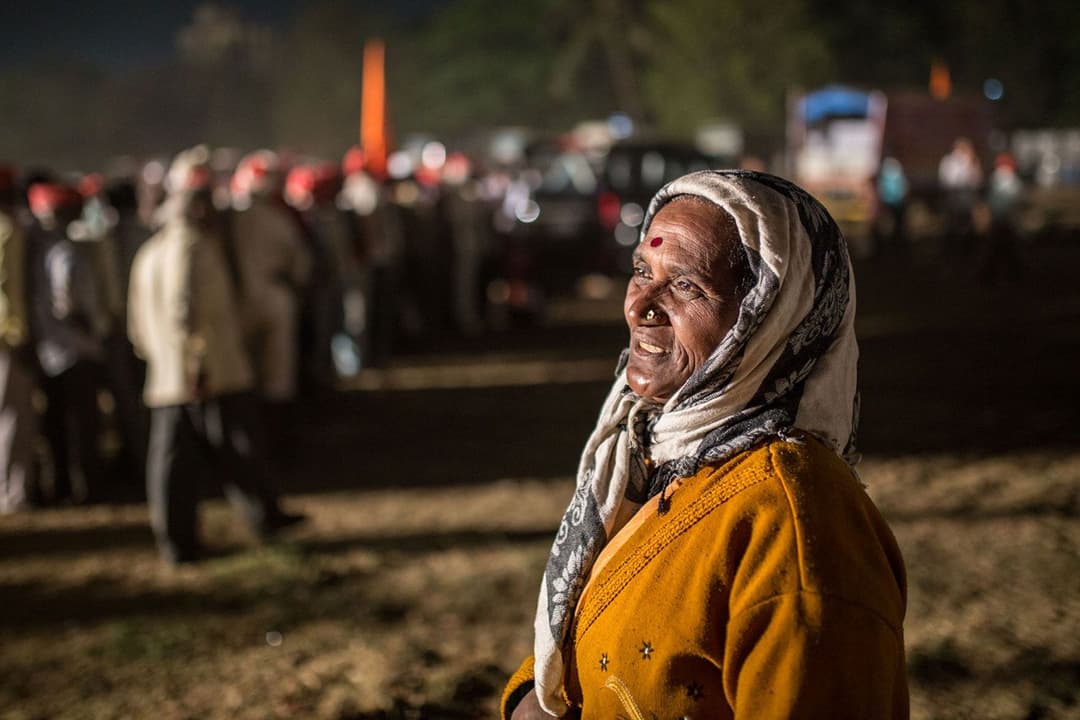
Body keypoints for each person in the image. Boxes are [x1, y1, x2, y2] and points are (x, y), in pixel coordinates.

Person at [503, 170, 907, 719]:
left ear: (768, 317)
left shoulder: (795, 525)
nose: (640, 304)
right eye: (641, 271)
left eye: (687, 285)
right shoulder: (647, 455)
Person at [128, 148, 303, 565]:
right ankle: (184, 541)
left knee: (224, 448)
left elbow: (138, 324)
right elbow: (182, 310)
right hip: (204, 373)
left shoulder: (150, 251)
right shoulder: (189, 248)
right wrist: (195, 363)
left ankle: (260, 517)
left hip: (182, 373)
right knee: (188, 461)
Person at [26, 181, 109, 505]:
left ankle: (65, 485)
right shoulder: (64, 253)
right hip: (75, 350)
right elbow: (68, 305)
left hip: (53, 351)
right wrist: (93, 332)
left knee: (60, 425)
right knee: (82, 427)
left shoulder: (43, 251)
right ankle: (87, 488)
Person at [0, 166, 40, 513]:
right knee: (14, 416)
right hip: (8, 339)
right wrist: (19, 334)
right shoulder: (8, 229)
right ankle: (13, 493)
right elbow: (8, 289)